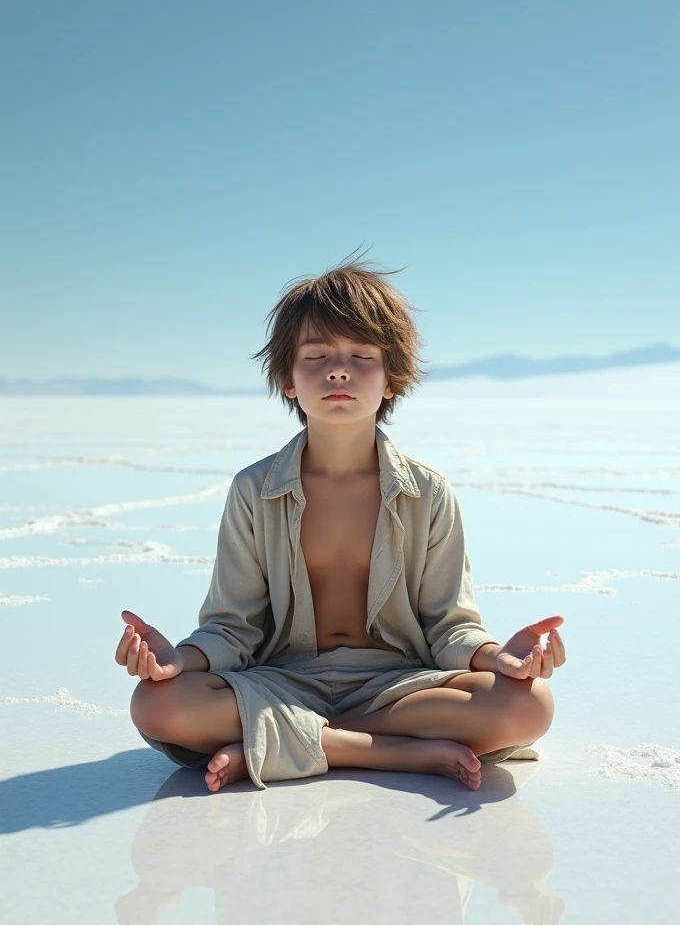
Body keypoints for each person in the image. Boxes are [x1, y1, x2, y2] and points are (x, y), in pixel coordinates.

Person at [115, 253, 566, 793]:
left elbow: (448, 626)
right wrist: (178, 659)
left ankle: (280, 745)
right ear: (287, 380)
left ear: (392, 379)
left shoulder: (428, 492)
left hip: (398, 688)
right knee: (159, 704)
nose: (338, 370)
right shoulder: (253, 490)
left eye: (360, 355)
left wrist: (498, 656)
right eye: (316, 355)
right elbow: (233, 628)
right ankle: (393, 754)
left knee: (527, 705)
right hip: (280, 682)